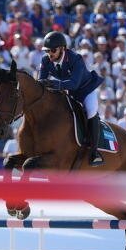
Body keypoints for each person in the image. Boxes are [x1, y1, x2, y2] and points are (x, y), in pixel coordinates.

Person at [38, 31, 104, 166]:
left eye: (53, 50)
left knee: (91, 111)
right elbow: (41, 81)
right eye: (47, 51)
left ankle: (94, 152)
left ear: (62, 49)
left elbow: (74, 84)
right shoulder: (45, 60)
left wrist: (52, 84)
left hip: (85, 89)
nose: (49, 54)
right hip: (67, 90)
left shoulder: (76, 59)